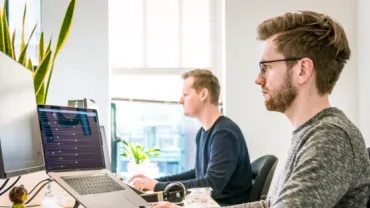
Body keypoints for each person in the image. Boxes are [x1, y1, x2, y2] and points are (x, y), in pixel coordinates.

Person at [150, 10, 370, 208]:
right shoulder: (310, 133)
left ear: (302, 70)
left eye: (266, 68)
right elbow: (270, 204)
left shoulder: (330, 138)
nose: (258, 79)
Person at [127, 69, 253, 206]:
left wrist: (158, 187)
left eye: (185, 95)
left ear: (203, 94)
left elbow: (212, 186)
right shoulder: (204, 132)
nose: (180, 100)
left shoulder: (224, 133)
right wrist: (156, 182)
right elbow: (197, 174)